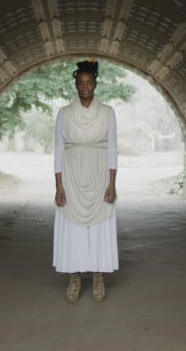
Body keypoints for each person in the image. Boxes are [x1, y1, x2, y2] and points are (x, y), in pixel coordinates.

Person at [53, 58, 118, 302]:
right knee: (73, 227)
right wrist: (58, 185)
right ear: (75, 85)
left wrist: (112, 183)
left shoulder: (108, 112)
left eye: (89, 82)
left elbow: (112, 149)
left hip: (100, 172)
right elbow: (59, 149)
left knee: (100, 225)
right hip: (72, 174)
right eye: (80, 82)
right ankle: (74, 276)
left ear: (95, 84)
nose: (85, 87)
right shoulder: (64, 113)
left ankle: (99, 276)